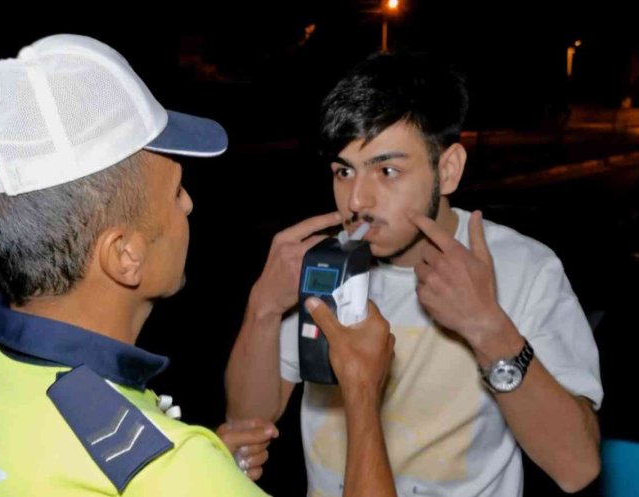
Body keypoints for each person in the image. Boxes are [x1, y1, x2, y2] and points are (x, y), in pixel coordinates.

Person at [0, 34, 397, 497]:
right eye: (175, 192)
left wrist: (203, 461)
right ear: (125, 255)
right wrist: (359, 390)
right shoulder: (169, 474)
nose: (189, 205)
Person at [225, 51, 603, 497]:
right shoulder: (322, 265)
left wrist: (489, 329)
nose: (358, 201)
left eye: (388, 170)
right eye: (344, 171)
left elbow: (577, 468)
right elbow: (251, 427)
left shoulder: (526, 268)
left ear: (447, 169)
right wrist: (263, 308)